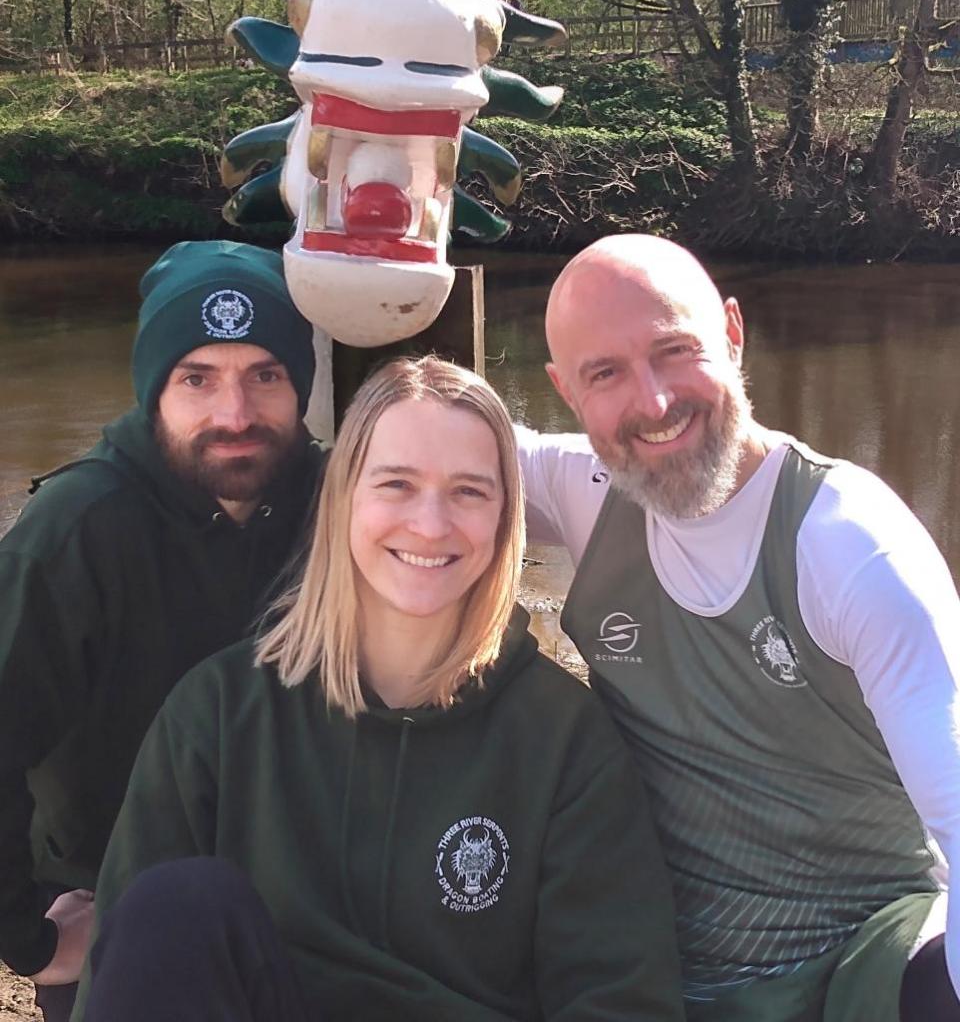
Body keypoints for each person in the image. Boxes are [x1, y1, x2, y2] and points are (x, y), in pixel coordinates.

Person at [74, 356, 684, 1022]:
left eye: (469, 492)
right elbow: (126, 973)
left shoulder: (566, 742)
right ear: (343, 498)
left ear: (506, 518)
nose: (429, 524)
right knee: (175, 905)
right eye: (396, 484)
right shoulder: (217, 713)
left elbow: (620, 999)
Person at [517, 233, 960, 1022]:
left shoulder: (849, 546)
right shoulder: (584, 491)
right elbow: (408, 453)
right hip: (657, 977)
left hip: (861, 963)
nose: (652, 403)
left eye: (674, 350)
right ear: (563, 389)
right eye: (605, 374)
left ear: (731, 331)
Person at [0, 240, 323, 1021]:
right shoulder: (75, 531)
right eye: (197, 379)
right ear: (153, 391)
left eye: (266, 376)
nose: (235, 415)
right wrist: (26, 938)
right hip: (120, 905)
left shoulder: (335, 501)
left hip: (303, 895)